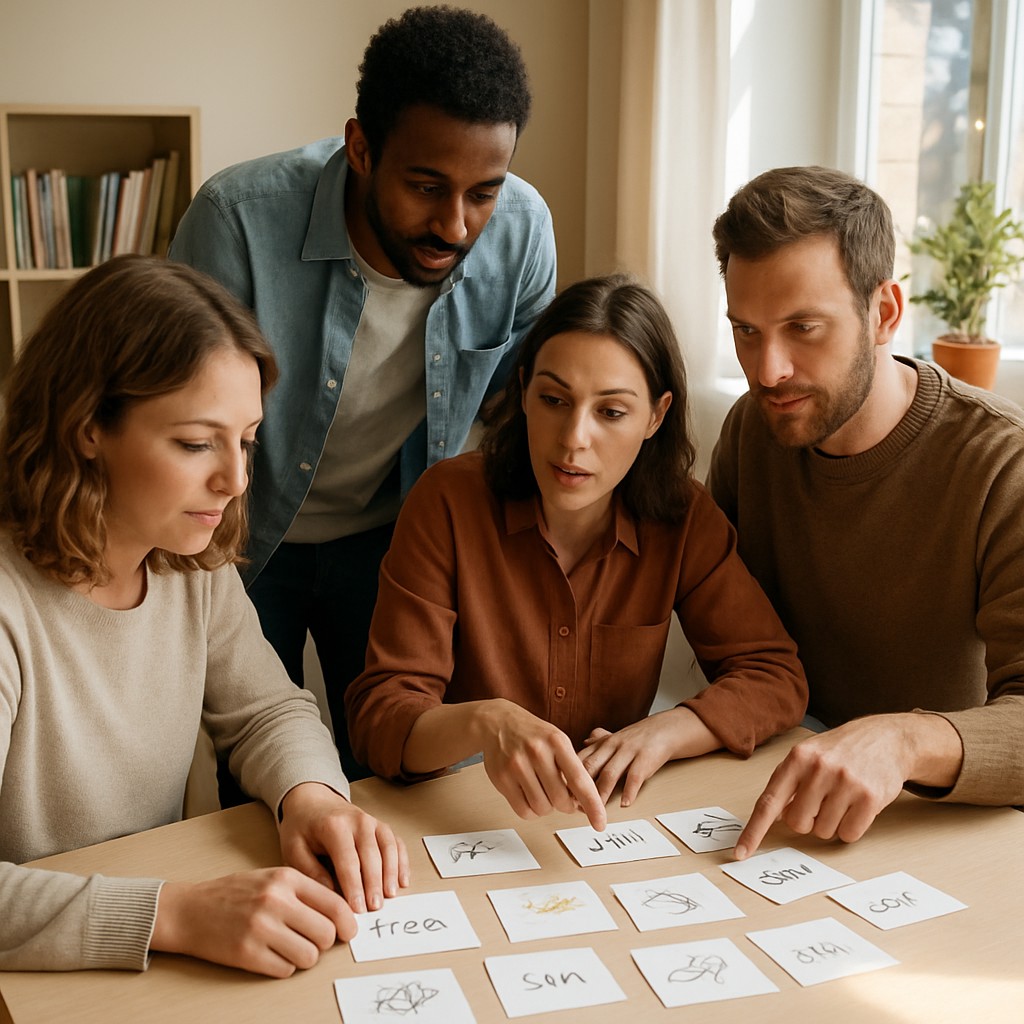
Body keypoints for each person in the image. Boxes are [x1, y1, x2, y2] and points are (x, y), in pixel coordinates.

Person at [168, 5, 556, 786]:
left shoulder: (521, 232)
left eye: (483, 191)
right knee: (266, 779)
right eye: (425, 186)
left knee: (394, 767)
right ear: (361, 148)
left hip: (391, 535)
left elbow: (519, 406)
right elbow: (179, 415)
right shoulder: (235, 222)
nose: (455, 225)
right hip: (240, 536)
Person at [0, 256, 408, 976]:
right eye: (195, 443)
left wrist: (310, 798)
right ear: (87, 425)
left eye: (246, 440)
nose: (236, 479)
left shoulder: (186, 560)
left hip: (153, 951)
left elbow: (265, 711)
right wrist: (175, 912)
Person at [345, 275, 808, 829]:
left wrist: (668, 729)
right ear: (523, 393)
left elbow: (775, 675)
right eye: (553, 400)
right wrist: (486, 724)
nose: (573, 438)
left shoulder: (683, 517)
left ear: (656, 417)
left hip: (605, 827)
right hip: (463, 820)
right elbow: (379, 719)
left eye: (611, 412)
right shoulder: (447, 502)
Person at [706, 165, 1024, 860]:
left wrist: (905, 739)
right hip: (781, 814)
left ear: (883, 314)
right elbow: (722, 637)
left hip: (940, 834)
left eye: (803, 328)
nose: (768, 369)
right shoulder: (750, 432)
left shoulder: (1003, 463)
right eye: (747, 331)